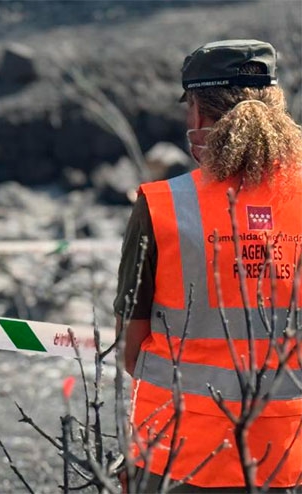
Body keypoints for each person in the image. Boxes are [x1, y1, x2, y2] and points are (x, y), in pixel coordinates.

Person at [114, 39, 302, 491]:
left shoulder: (162, 206)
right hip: (290, 454)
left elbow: (131, 348)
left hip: (178, 453)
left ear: (197, 113)